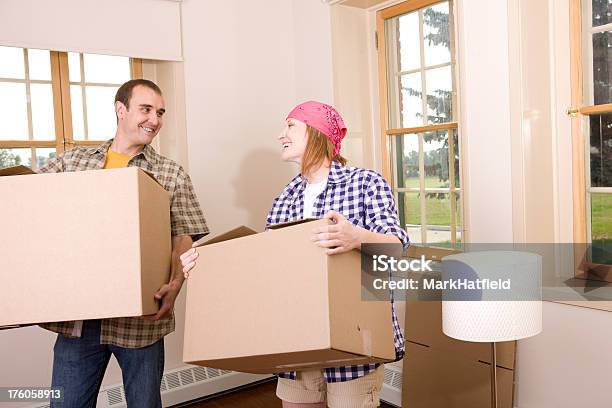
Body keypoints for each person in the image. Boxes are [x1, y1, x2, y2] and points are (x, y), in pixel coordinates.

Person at [181, 101, 408, 408]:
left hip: (353, 341)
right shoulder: (285, 197)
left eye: (290, 125)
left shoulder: (366, 183)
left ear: (316, 133)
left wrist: (357, 236)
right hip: (296, 337)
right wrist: (206, 267)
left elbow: (395, 248)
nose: (280, 135)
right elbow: (265, 270)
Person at [39, 79, 209, 408]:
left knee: (144, 404)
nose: (155, 119)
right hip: (79, 319)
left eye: (160, 112)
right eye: (146, 109)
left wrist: (175, 285)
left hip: (139, 320)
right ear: (121, 110)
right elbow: (26, 198)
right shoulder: (73, 163)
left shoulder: (170, 173)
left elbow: (183, 237)